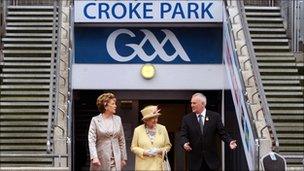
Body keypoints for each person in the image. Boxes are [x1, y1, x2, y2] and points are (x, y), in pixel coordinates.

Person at [180, 93, 237, 171]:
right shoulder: (187, 119)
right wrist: (184, 143)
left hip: (211, 162)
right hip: (195, 162)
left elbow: (222, 132)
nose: (191, 105)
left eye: (194, 103)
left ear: (203, 104)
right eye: (191, 103)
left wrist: (229, 141)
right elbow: (183, 135)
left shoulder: (215, 116)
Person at [88, 93, 127, 171]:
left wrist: (123, 158)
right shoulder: (95, 120)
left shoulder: (118, 119)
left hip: (116, 157)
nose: (115, 106)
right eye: (113, 104)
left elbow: (121, 140)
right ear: (105, 106)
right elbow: (91, 140)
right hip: (101, 157)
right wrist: (94, 157)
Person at [131, 105, 172, 171]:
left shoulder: (163, 128)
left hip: (158, 166)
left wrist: (158, 151)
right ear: (146, 120)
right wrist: (145, 152)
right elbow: (133, 147)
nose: (155, 120)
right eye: (153, 118)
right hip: (143, 167)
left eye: (156, 117)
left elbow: (168, 146)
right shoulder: (138, 130)